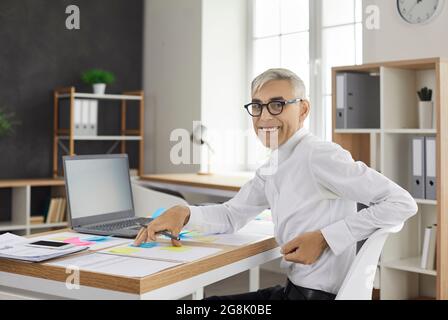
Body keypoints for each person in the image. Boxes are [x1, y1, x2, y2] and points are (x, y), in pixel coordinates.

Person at [134, 68, 418, 300]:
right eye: (257, 107)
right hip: (293, 291)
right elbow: (233, 215)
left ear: (303, 109)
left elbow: (401, 202)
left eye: (277, 105)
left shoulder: (319, 155)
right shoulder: (275, 162)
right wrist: (185, 213)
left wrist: (326, 237)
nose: (265, 117)